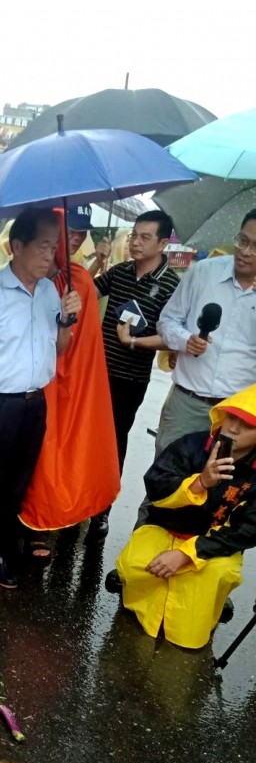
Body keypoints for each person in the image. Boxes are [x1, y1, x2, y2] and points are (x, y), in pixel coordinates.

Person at [0, 207, 80, 589]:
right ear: (16, 246)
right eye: (42, 246)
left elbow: (58, 350)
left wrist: (65, 323)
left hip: (32, 404)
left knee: (15, 484)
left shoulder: (48, 292)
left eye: (54, 247)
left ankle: (1, 550)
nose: (50, 255)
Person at [111, 385, 256, 649]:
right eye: (231, 417)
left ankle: (208, 608)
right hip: (165, 529)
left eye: (246, 426)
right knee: (137, 563)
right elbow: (155, 486)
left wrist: (189, 554)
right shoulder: (191, 444)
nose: (232, 428)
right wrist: (200, 483)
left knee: (215, 575)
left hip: (213, 545)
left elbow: (247, 531)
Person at [19, 209, 119, 550]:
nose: (74, 239)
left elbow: (84, 346)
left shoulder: (80, 281)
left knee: (56, 454)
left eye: (79, 234)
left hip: (67, 382)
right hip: (30, 378)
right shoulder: (28, 275)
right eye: (68, 232)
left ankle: (42, 523)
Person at [92, 211, 180, 531]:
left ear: (163, 242)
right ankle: (82, 494)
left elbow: (173, 335)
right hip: (97, 373)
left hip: (130, 379)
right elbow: (88, 292)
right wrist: (96, 260)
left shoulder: (171, 284)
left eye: (145, 237)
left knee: (115, 439)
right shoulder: (121, 271)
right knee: (89, 437)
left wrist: (135, 342)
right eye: (133, 236)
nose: (136, 243)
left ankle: (102, 505)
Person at [154, 209, 256, 454]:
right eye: (242, 241)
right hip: (186, 405)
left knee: (220, 489)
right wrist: (184, 340)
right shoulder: (203, 272)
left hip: (238, 417)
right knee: (165, 485)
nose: (245, 251)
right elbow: (166, 321)